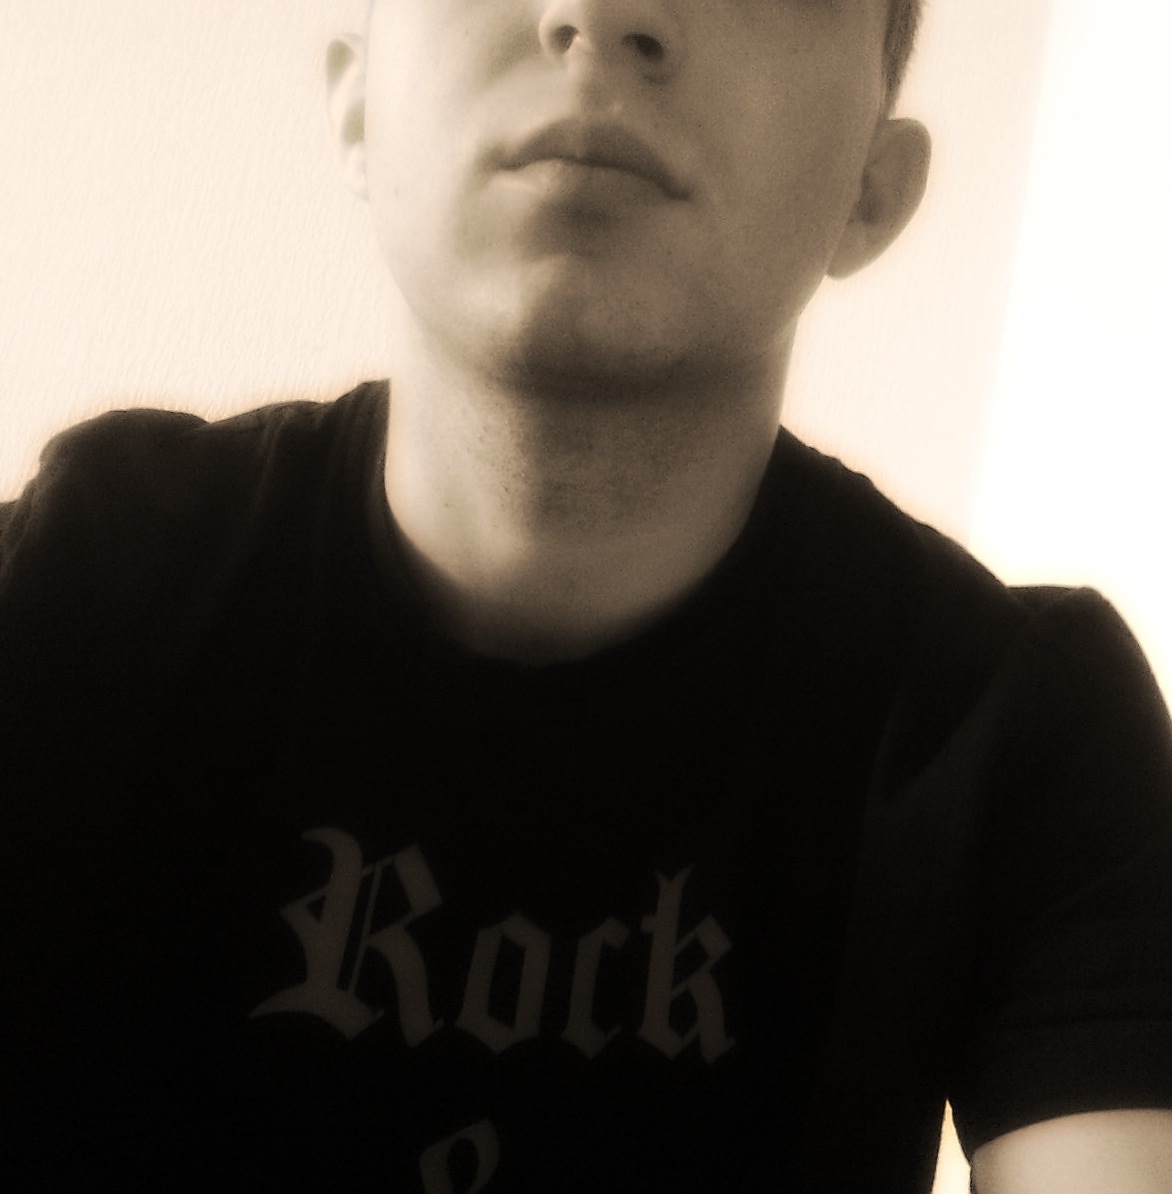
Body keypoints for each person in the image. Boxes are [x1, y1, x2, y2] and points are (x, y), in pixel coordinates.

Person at [2, 1, 1171, 1190]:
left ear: (870, 189)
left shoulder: (1018, 730)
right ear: (357, 109)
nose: (601, 13)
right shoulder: (66, 593)